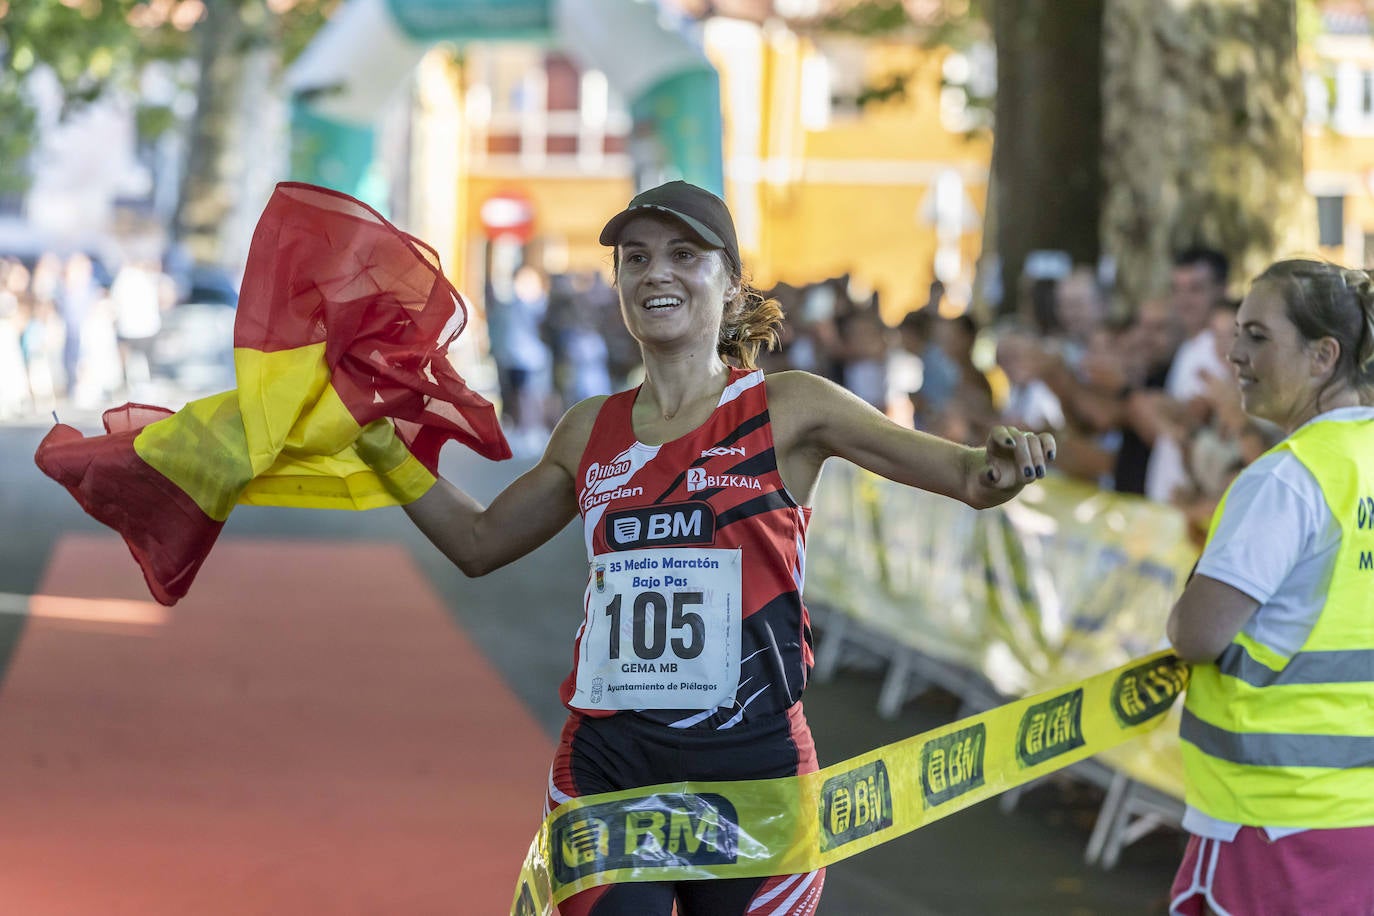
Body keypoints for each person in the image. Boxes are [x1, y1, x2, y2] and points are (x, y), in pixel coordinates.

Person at [360, 181, 1056, 915]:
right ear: (621, 285)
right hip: (612, 766)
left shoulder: (789, 408)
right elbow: (477, 543)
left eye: (684, 255)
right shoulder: (588, 429)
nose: (656, 272)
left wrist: (1000, 467)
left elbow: (966, 476)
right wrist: (380, 446)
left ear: (729, 286)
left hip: (753, 774)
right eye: (636, 258)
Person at [1165, 258, 1374, 916]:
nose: (1234, 354)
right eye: (1236, 335)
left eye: (1257, 337)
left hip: (1266, 819)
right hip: (1356, 819)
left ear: (1323, 355)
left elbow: (1195, 634)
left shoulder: (1287, 479)